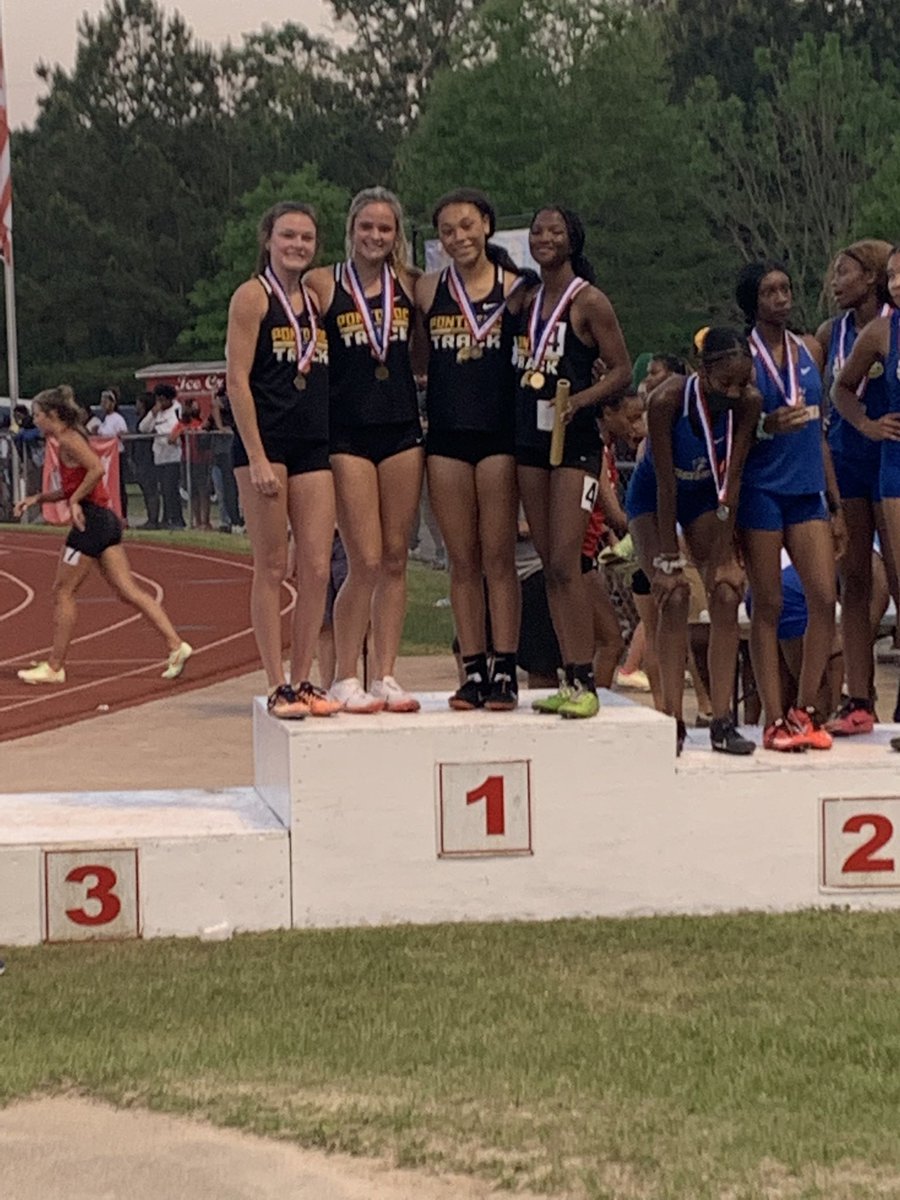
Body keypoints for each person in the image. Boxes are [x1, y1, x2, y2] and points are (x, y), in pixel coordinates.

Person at [305, 186, 423, 714]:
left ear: (397, 234)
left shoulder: (411, 286)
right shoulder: (322, 285)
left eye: (385, 228)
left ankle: (387, 674)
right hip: (347, 434)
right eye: (367, 226)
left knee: (397, 557)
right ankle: (345, 674)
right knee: (365, 559)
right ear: (351, 228)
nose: (375, 236)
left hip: (400, 428)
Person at [513, 206, 631, 719]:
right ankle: (568, 674)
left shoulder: (589, 301)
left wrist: (580, 401)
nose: (544, 238)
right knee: (548, 563)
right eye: (537, 231)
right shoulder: (528, 300)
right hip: (531, 442)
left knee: (567, 561)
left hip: (575, 443)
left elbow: (623, 370)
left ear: (572, 240)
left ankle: (584, 678)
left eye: (555, 231)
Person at [226, 200, 340, 719]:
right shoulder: (253, 297)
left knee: (316, 566)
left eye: (306, 238)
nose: (297, 245)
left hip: (313, 441)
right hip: (265, 444)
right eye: (287, 236)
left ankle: (303, 678)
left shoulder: (317, 297)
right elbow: (236, 379)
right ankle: (275, 682)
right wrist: (256, 456)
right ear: (268, 239)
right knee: (272, 564)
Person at [416, 188, 528, 710]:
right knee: (461, 561)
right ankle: (473, 668)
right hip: (445, 436)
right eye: (447, 231)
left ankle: (506, 666)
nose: (458, 237)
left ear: (486, 225)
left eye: (466, 226)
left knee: (499, 556)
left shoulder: (517, 290)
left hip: (499, 434)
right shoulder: (426, 290)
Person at [626, 328, 760, 754]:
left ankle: (721, 719)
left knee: (724, 592)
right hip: (654, 499)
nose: (735, 392)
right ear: (702, 372)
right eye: (726, 384)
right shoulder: (667, 401)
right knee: (676, 595)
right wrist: (666, 559)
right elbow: (665, 484)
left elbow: (732, 483)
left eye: (743, 382)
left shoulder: (748, 404)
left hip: (707, 496)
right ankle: (672, 717)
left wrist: (724, 557)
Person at [736, 261, 846, 752]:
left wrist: (836, 500)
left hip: (807, 489)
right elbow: (731, 431)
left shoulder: (811, 348)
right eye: (769, 292)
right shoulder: (743, 357)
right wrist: (764, 428)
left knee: (824, 598)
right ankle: (774, 717)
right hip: (761, 488)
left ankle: (805, 708)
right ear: (752, 302)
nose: (781, 298)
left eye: (785, 288)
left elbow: (818, 425)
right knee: (770, 605)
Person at [14, 386, 191, 685]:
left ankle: (55, 666)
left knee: (62, 591)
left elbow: (96, 470)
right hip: (102, 520)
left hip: (91, 522)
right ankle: (176, 645)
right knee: (127, 590)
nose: (35, 420)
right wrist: (39, 499)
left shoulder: (69, 439)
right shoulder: (68, 439)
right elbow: (74, 485)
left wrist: (73, 503)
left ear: (53, 414)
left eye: (37, 415)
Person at [816, 240, 895, 734]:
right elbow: (836, 394)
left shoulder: (891, 325)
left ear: (870, 277)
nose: (835, 282)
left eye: (843, 273)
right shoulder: (830, 332)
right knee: (856, 581)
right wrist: (862, 423)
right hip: (847, 462)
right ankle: (860, 697)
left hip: (889, 461)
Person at [138, 384, 184, 529]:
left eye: (163, 400)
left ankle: (177, 519)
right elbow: (143, 428)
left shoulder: (177, 410)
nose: (160, 403)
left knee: (171, 489)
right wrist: (153, 412)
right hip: (159, 457)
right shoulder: (157, 412)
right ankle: (167, 519)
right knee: (163, 490)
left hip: (173, 457)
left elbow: (174, 430)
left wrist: (162, 434)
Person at [170, 397, 212, 530]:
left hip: (202, 461)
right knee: (192, 492)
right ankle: (197, 520)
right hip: (188, 460)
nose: (194, 409)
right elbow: (171, 439)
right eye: (191, 407)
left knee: (204, 491)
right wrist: (181, 431)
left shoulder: (200, 422)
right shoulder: (181, 424)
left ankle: (206, 522)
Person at [210, 385, 242, 532]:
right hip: (225, 448)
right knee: (229, 485)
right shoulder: (227, 399)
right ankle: (233, 519)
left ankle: (235, 518)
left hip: (230, 446)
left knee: (233, 486)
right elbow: (216, 405)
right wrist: (220, 426)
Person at [95, 387, 130, 521]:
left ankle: (123, 515)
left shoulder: (118, 419)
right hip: (106, 459)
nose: (103, 404)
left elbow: (124, 435)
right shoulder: (105, 420)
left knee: (119, 486)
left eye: (105, 402)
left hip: (117, 456)